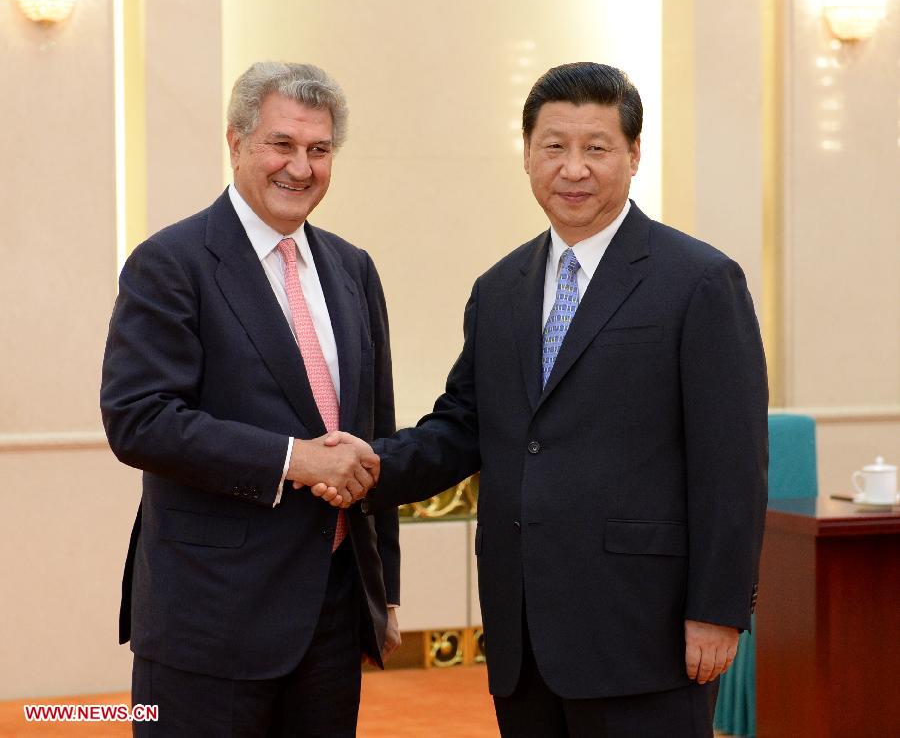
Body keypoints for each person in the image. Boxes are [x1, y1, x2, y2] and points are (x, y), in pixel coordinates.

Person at [322, 62, 768, 737]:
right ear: (527, 154)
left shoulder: (699, 280)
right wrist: (374, 467)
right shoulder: (499, 288)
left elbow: (732, 461)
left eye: (597, 147)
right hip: (523, 634)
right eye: (554, 146)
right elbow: (464, 425)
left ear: (634, 154)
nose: (573, 168)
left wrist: (718, 607)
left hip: (643, 631)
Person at [101, 61, 400, 737]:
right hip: (208, 620)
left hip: (331, 611)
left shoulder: (353, 269)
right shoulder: (171, 262)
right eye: (282, 144)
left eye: (319, 150)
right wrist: (295, 461)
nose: (301, 167)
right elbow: (138, 419)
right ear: (236, 144)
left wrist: (385, 594)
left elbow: (374, 430)